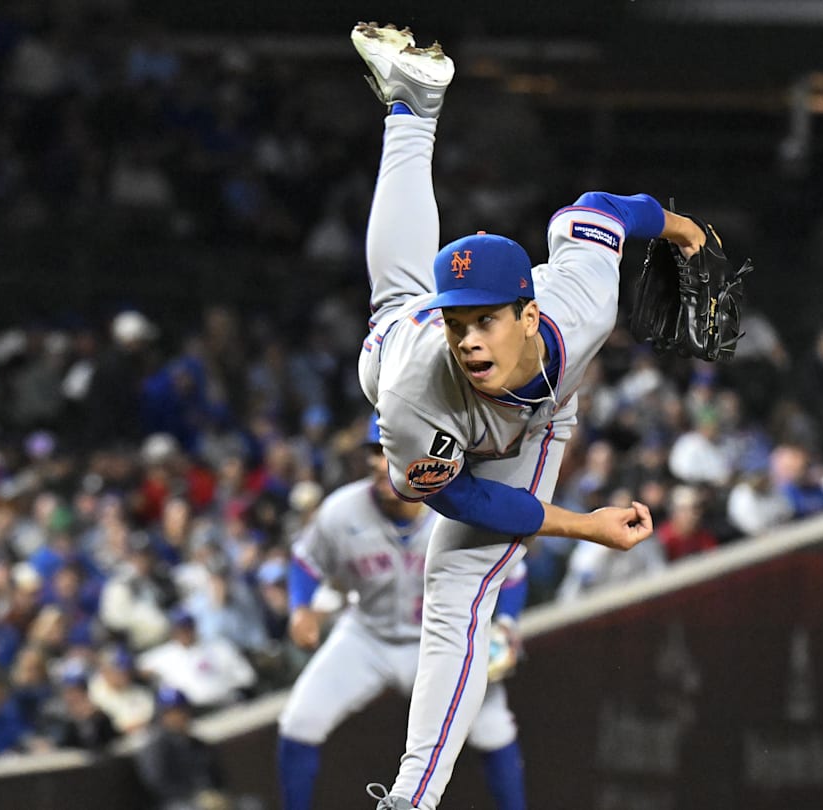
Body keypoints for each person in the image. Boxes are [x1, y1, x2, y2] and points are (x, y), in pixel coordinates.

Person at [349, 22, 709, 809]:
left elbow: (603, 209)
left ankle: (412, 106)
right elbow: (460, 496)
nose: (470, 338)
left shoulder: (579, 301)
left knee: (461, 586)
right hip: (418, 396)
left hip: (539, 420)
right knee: (397, 304)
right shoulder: (417, 384)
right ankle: (412, 802)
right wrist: (584, 524)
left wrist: (677, 226)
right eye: (459, 322)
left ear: (525, 309)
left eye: (484, 319)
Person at [277, 418, 528, 810]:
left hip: (442, 642)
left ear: (423, 458)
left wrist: (507, 624)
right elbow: (305, 563)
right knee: (299, 721)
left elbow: (514, 575)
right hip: (367, 637)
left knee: (495, 730)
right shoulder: (342, 511)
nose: (380, 463)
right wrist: (299, 610)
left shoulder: (461, 509)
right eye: (374, 452)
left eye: (389, 452)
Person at [133, 686, 227, 810]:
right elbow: (157, 784)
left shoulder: (196, 743)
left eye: (182, 710)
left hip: (209, 797)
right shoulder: (155, 746)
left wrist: (215, 794)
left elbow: (213, 776)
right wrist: (197, 796)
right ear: (161, 715)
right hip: (176, 803)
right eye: (171, 712)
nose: (180, 716)